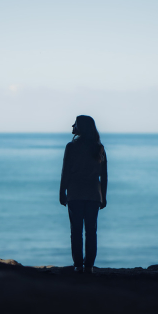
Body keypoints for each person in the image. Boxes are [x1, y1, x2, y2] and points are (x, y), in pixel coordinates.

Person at [59, 115, 107, 274]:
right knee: (91, 231)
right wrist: (103, 196)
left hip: (75, 193)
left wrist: (61, 192)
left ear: (81, 127)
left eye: (75, 123)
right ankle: (89, 267)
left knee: (76, 231)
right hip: (93, 193)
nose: (72, 125)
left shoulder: (71, 147)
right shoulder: (99, 147)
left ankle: (78, 265)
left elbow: (65, 172)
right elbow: (104, 176)